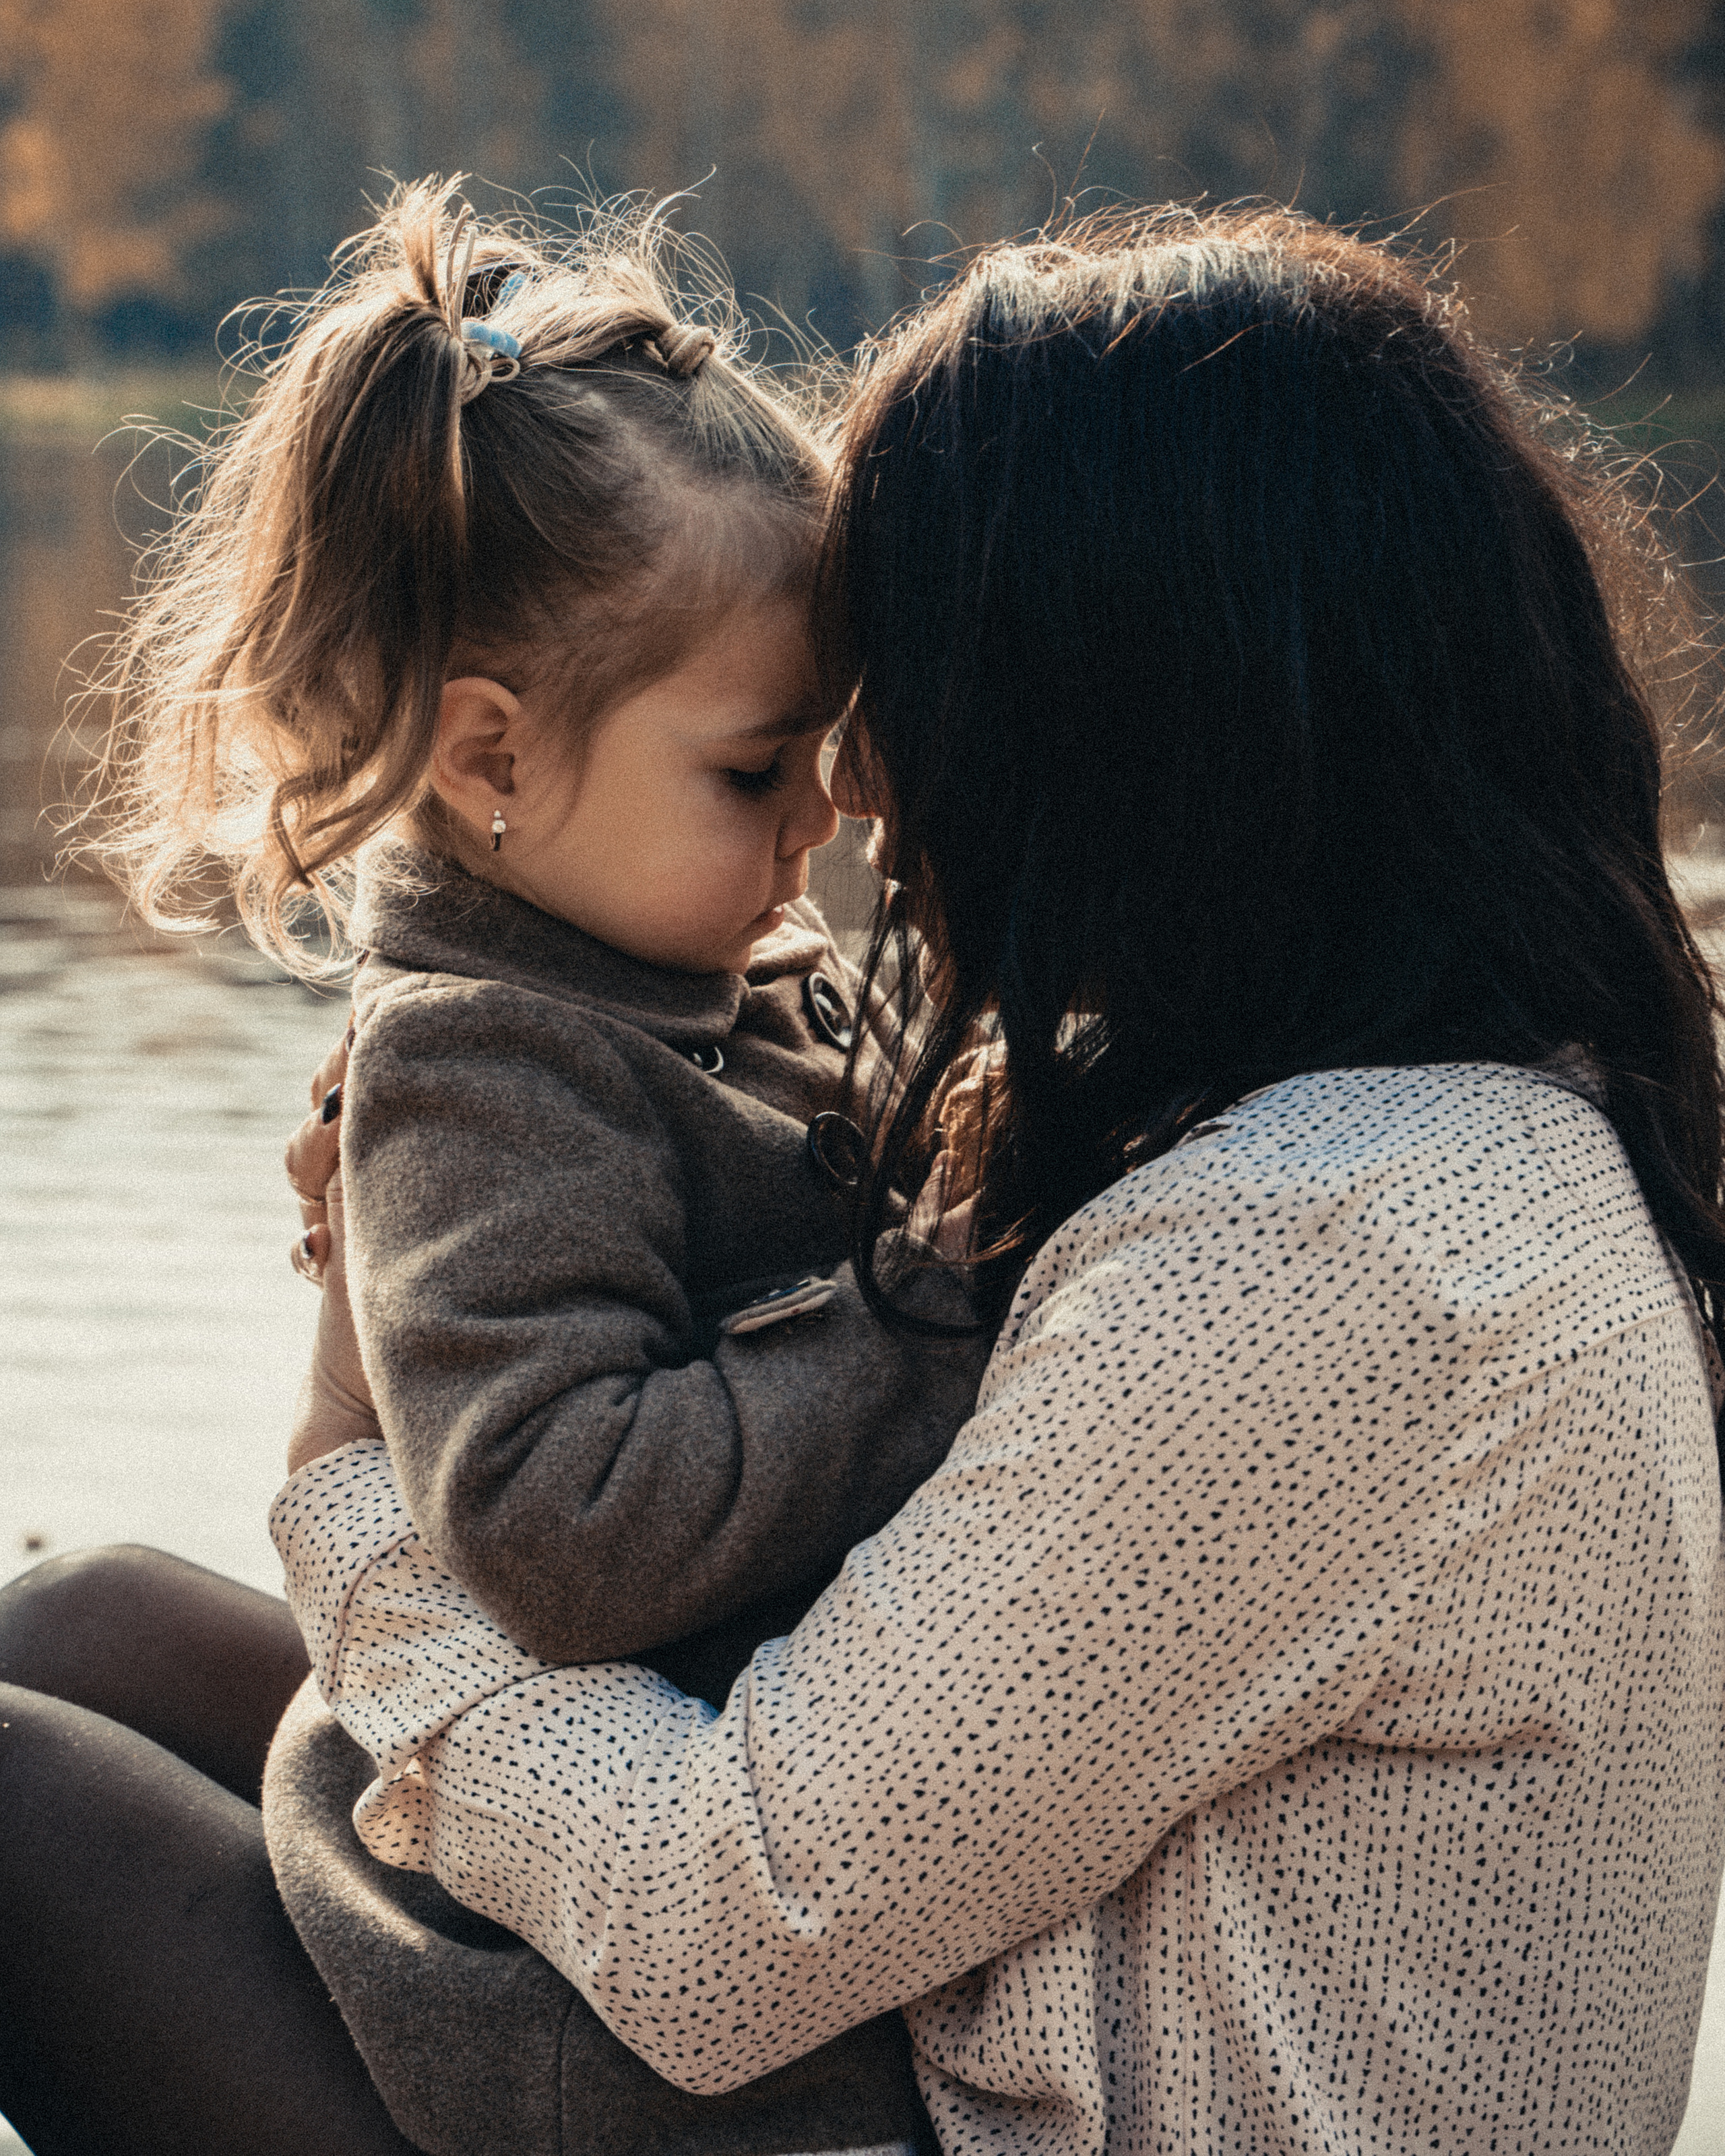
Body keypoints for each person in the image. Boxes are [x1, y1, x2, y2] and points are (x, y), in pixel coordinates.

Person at [3, 200, 1724, 2156]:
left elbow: (717, 1929)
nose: (867, 790)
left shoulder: (1316, 1266)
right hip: (914, 1972)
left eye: (913, 673)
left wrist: (342, 1464)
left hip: (830, 2033)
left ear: (1136, 707)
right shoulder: (1477, 1121)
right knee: (75, 1625)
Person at [2, 180, 991, 2156]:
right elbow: (572, 1526)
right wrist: (936, 1306)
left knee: (67, 1642)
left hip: (691, 1910)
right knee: (65, 1624)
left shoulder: (686, 967)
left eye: (829, 751)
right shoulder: (485, 1063)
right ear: (489, 759)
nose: (823, 818)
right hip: (584, 1961)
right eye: (749, 769)